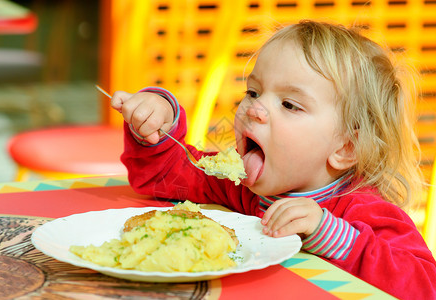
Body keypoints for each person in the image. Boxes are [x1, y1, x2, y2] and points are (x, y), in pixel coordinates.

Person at [111, 20, 436, 299]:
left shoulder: (363, 211)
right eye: (253, 92)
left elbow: (425, 286)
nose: (254, 109)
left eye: (290, 105)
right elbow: (163, 176)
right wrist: (157, 122)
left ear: (346, 148)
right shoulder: (236, 186)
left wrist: (334, 236)